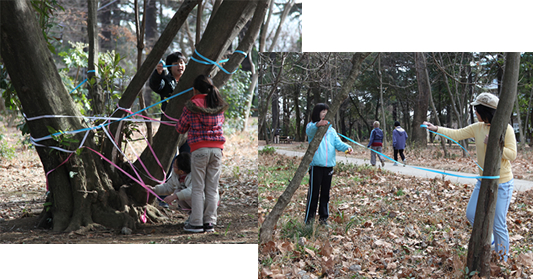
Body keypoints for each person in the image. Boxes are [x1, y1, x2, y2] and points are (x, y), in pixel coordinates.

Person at [423, 92, 517, 262]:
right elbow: (457, 134)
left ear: (485, 111)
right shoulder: (478, 127)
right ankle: (493, 242)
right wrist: (435, 128)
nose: (475, 113)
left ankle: (503, 259)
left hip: (502, 183)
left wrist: (496, 144)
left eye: (477, 110)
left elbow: (513, 155)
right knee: (471, 214)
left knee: (498, 223)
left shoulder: (506, 128)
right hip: (482, 181)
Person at [175, 75, 228, 233]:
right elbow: (220, 123)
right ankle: (209, 223)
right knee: (212, 188)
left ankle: (196, 223)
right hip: (217, 150)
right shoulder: (217, 104)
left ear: (194, 90)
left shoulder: (191, 105)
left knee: (198, 187)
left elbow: (181, 128)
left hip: (199, 150)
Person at [149, 51, 189, 206]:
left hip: (188, 128)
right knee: (169, 161)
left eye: (182, 62)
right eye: (176, 63)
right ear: (169, 66)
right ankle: (162, 198)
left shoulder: (188, 81)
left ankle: (184, 197)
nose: (180, 66)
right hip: (170, 128)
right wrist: (158, 73)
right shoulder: (166, 81)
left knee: (187, 161)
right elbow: (157, 86)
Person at [304, 103, 353, 227]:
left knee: (325, 194)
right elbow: (309, 131)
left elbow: (338, 143)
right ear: (317, 113)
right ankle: (309, 220)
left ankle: (323, 219)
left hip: (329, 166)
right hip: (316, 166)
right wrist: (317, 125)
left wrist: (347, 148)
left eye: (326, 112)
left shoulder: (331, 130)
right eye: (322, 112)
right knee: (314, 193)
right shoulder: (312, 126)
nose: (325, 114)